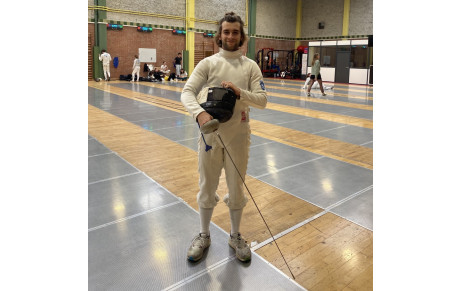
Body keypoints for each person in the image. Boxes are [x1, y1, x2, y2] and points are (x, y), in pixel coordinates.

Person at [181, 12, 267, 263]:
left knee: (236, 188)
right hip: (209, 135)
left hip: (238, 136)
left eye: (235, 32)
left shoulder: (250, 66)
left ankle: (235, 235)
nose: (230, 36)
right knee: (206, 186)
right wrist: (199, 115)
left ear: (242, 36)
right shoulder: (207, 64)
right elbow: (187, 93)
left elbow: (263, 101)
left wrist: (240, 92)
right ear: (219, 35)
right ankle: (203, 235)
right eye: (226, 32)